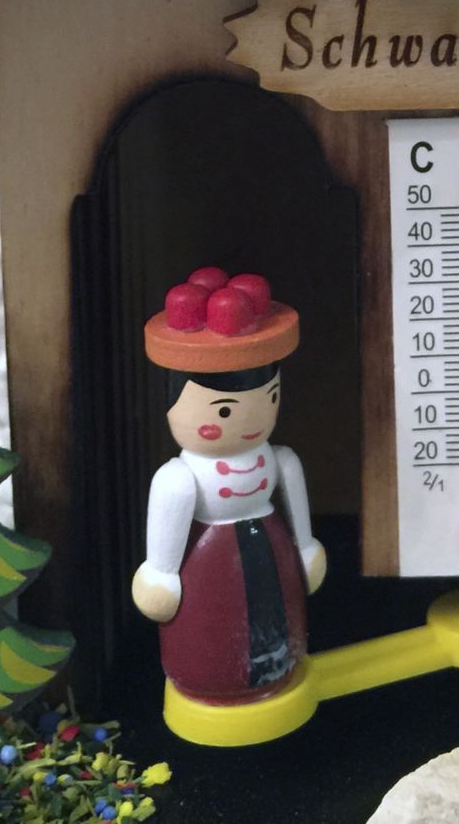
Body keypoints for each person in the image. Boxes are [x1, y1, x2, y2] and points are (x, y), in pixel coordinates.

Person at [132, 284, 325, 705]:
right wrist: (161, 576)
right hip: (209, 566)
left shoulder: (278, 459)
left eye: (270, 397)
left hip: (269, 547)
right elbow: (165, 545)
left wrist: (306, 547)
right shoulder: (179, 478)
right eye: (224, 410)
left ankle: (278, 666)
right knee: (213, 628)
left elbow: (295, 501)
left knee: (277, 616)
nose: (252, 420)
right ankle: (208, 676)